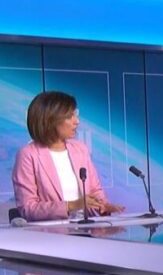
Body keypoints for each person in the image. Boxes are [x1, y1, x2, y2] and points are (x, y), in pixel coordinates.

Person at [12, 91, 124, 221]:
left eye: (76, 115)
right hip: (52, 232)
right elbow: (28, 208)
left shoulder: (80, 149)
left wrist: (104, 206)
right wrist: (71, 206)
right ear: (51, 120)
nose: (77, 122)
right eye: (70, 116)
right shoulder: (28, 155)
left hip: (87, 227)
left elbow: (94, 191)